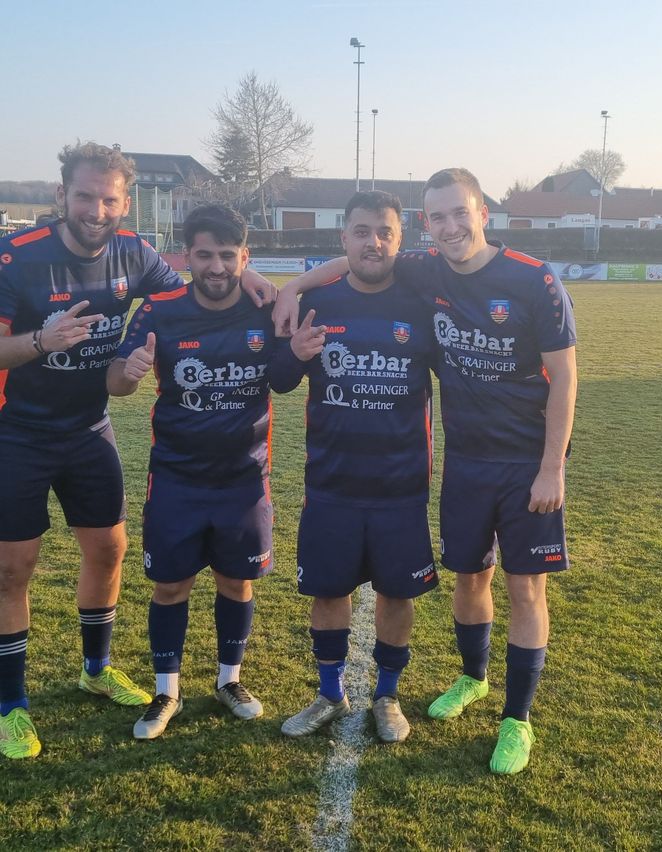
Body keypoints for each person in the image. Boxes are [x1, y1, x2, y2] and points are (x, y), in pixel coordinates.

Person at [274, 168, 577, 773]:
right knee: (469, 579)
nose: (450, 226)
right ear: (425, 226)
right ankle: (472, 678)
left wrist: (552, 467)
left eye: (459, 213)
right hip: (463, 463)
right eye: (437, 217)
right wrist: (290, 287)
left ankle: (516, 721)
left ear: (482, 212)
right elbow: (348, 268)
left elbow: (565, 376)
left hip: (523, 464)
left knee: (524, 587)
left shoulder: (532, 278)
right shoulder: (424, 269)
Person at [0, 143, 276, 760]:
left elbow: (197, 285)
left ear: (125, 203)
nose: (96, 209)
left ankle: (95, 669)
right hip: (16, 431)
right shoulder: (16, 258)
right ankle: (10, 704)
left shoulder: (135, 253)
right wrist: (42, 340)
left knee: (108, 550)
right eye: (85, 196)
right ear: (61, 194)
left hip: (89, 429)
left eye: (109, 199)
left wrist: (250, 274)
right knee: (12, 570)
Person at [106, 204, 284, 739]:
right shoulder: (159, 310)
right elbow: (115, 382)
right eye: (204, 255)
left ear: (244, 257)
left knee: (237, 583)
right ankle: (167, 691)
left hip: (244, 481)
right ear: (187, 257)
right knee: (170, 587)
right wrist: (129, 372)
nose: (216, 266)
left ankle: (230, 680)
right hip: (177, 478)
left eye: (228, 256)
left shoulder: (265, 309)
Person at [273, 191, 436, 743]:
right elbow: (278, 379)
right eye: (361, 232)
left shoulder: (422, 300)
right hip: (333, 483)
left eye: (384, 232)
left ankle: (387, 695)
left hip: (401, 484)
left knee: (397, 595)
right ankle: (329, 692)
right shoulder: (320, 301)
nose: (374, 242)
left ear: (400, 239)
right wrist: (293, 350)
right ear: (343, 239)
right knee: (328, 592)